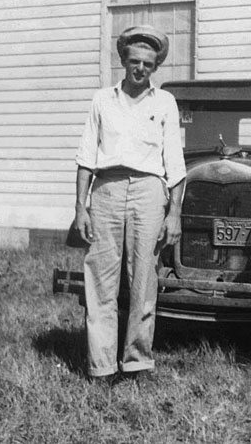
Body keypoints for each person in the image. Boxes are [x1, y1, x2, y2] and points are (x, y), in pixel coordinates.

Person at [73, 25, 186, 384]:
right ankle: (101, 365)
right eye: (134, 61)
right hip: (106, 189)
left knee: (143, 279)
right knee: (102, 279)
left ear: (156, 67)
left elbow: (176, 165)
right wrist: (81, 207)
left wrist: (174, 214)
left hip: (149, 192)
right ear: (123, 60)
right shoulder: (102, 100)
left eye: (148, 64)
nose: (140, 69)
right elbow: (86, 158)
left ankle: (136, 361)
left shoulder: (164, 102)